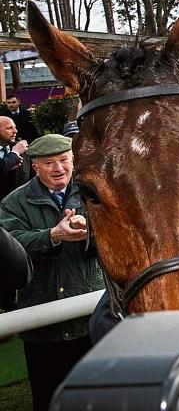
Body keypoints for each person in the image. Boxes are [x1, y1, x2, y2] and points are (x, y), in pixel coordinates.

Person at [0, 134, 104, 411]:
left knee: (99, 397)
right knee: (49, 398)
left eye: (64, 160)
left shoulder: (94, 192)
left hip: (91, 320)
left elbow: (121, 236)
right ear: (35, 166)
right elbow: (9, 250)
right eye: (49, 163)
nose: (59, 168)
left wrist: (91, 233)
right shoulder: (13, 202)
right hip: (43, 325)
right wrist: (52, 236)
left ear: (73, 160)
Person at [0, 116, 27, 200]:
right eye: (9, 128)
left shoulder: (23, 150)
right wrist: (15, 153)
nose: (15, 131)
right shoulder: (17, 151)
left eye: (15, 127)